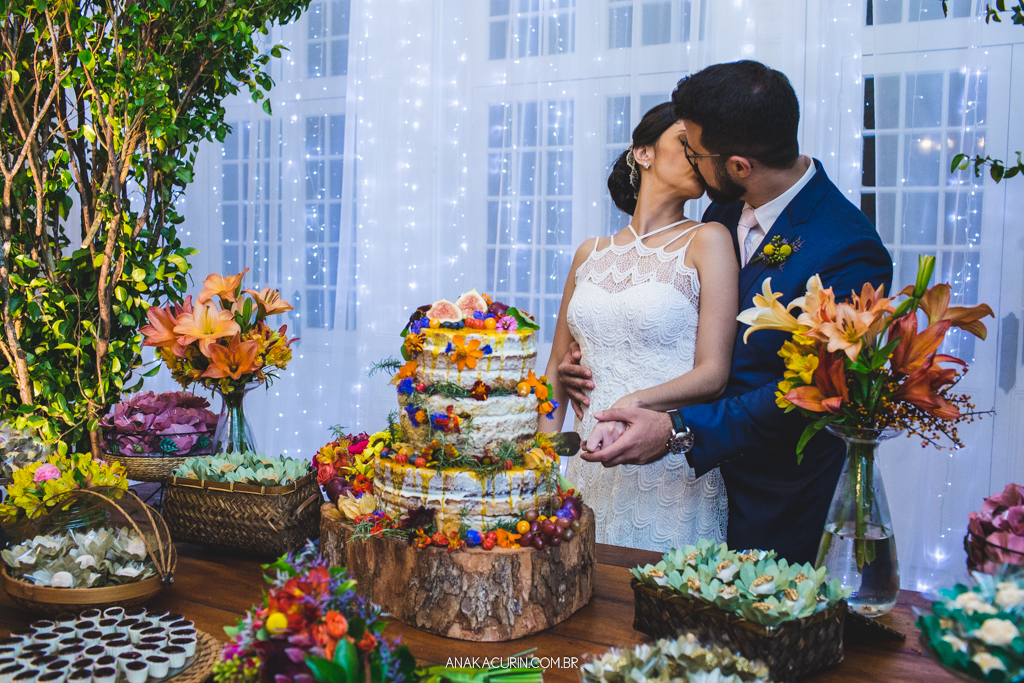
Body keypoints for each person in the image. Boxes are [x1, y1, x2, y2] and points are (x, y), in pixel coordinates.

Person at [559, 61, 893, 564]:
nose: (692, 163)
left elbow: (812, 392)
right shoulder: (725, 209)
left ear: (738, 165)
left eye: (696, 152)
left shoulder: (848, 248)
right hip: (685, 483)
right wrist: (597, 356)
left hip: (774, 498)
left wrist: (677, 428)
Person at [540, 103, 738, 552]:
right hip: (589, 464)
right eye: (685, 143)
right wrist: (540, 468)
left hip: (670, 471)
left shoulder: (708, 240)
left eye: (704, 148)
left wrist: (630, 402)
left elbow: (713, 374)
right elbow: (555, 369)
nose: (698, 155)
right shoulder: (589, 252)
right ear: (643, 153)